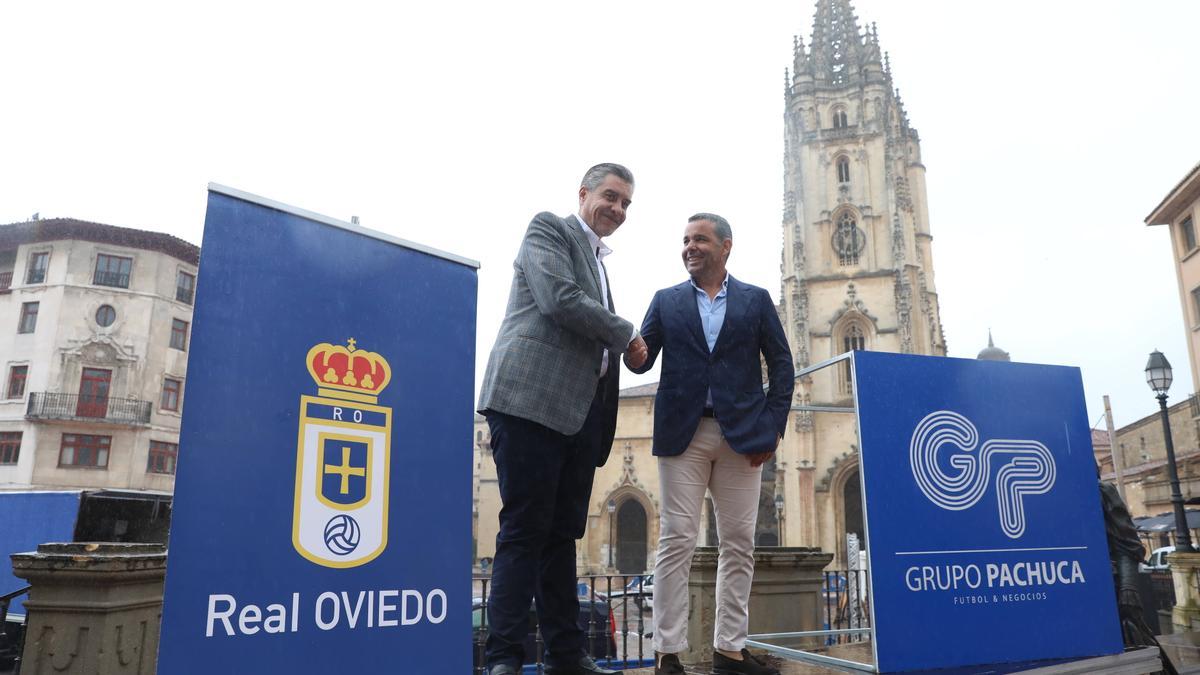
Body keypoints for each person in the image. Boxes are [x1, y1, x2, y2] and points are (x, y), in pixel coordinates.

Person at [477, 163, 649, 675]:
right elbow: (559, 300)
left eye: (626, 204)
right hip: (530, 402)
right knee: (524, 531)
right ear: (584, 193)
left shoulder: (601, 262)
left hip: (579, 418)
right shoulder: (548, 228)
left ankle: (565, 655)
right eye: (611, 197)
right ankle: (504, 658)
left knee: (560, 540)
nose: (617, 209)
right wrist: (627, 334)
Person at [626, 213, 793, 675]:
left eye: (699, 239)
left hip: (743, 439)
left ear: (725, 246)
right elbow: (641, 364)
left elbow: (782, 366)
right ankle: (667, 653)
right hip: (684, 434)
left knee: (739, 542)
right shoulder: (666, 300)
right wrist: (627, 344)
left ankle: (729, 651)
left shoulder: (756, 301)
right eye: (684, 240)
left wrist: (774, 427)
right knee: (677, 540)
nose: (689, 247)